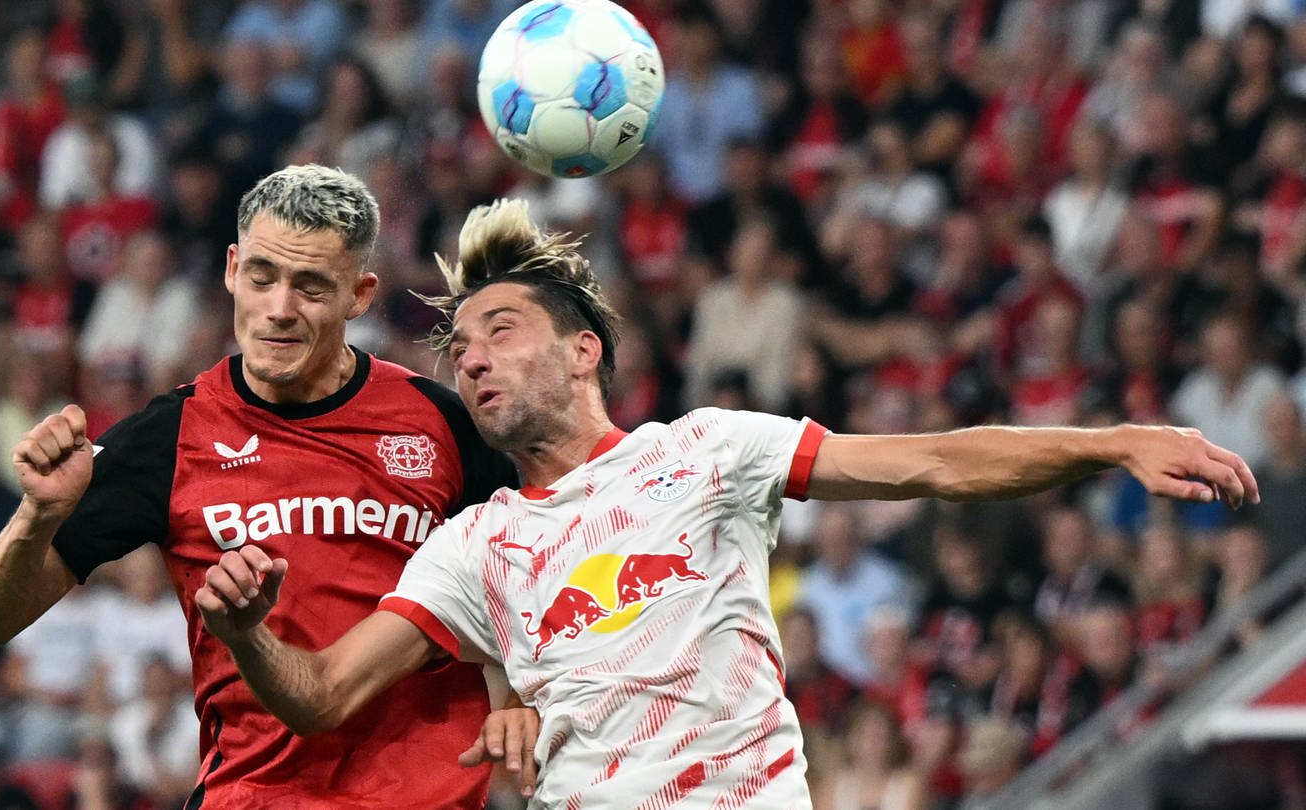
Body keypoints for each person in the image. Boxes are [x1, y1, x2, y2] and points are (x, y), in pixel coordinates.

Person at [192, 199, 1259, 808]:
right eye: (458, 348)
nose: (470, 358)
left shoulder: (706, 452)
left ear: (584, 350)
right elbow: (326, 693)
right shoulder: (474, 547)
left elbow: (930, 462)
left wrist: (1115, 440)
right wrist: (246, 632)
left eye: (500, 329)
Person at [0, 165, 520, 808]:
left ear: (359, 294)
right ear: (231, 269)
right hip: (255, 795)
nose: (278, 309)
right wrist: (36, 516)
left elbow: (535, 577)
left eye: (311, 287)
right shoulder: (171, 433)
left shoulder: (440, 423)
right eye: (262, 277)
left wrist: (526, 697)